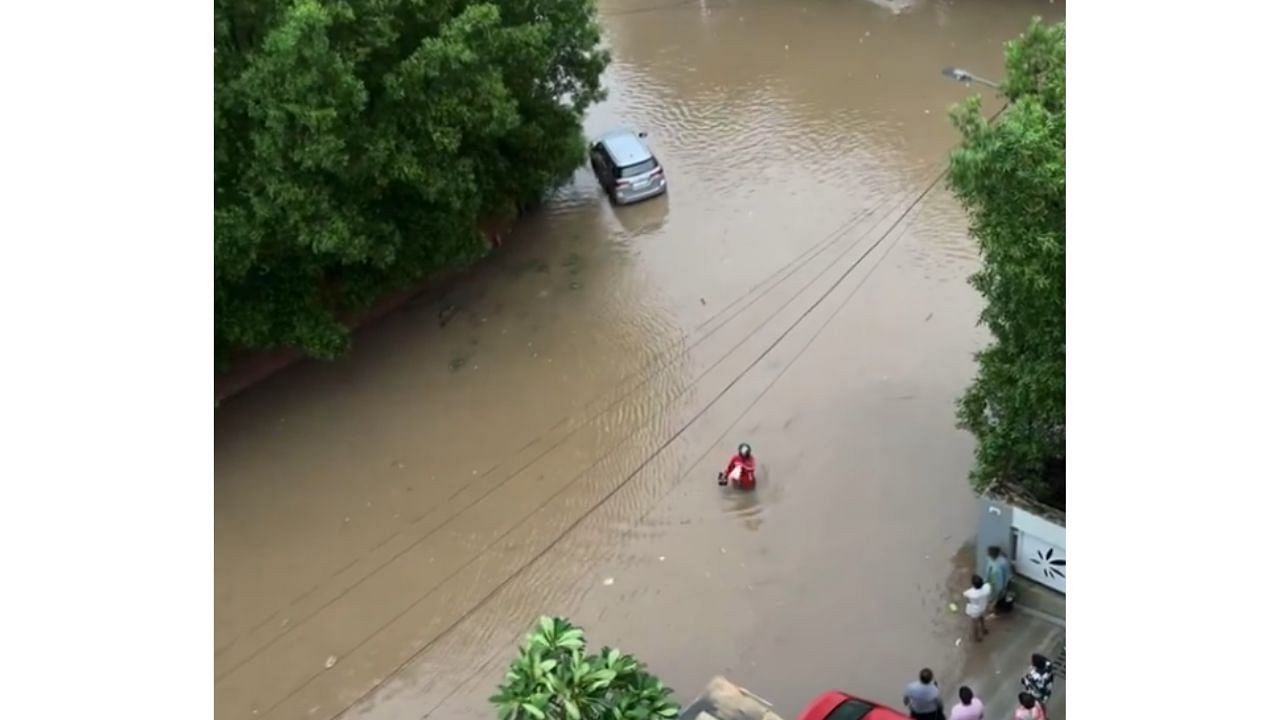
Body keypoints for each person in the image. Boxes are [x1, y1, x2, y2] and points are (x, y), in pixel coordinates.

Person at [1019, 653, 1055, 718]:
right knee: (1042, 705)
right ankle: (1044, 715)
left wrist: (1024, 680)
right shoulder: (1048, 667)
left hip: (1037, 695)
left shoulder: (1034, 676)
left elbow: (1026, 682)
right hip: (1046, 692)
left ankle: (1042, 716)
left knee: (1038, 707)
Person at [962, 574, 992, 642]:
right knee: (981, 617)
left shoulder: (971, 593)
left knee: (974, 623)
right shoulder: (986, 588)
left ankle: (976, 637)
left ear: (973, 585)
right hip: (983, 607)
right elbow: (988, 585)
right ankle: (984, 629)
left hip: (975, 611)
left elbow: (964, 594)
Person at [984, 546, 1013, 614]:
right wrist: (987, 579)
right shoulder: (990, 559)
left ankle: (995, 607)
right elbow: (988, 569)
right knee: (993, 593)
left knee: (998, 595)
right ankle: (993, 604)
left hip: (1000, 582)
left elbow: (1005, 576)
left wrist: (1003, 586)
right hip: (993, 580)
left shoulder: (1002, 563)